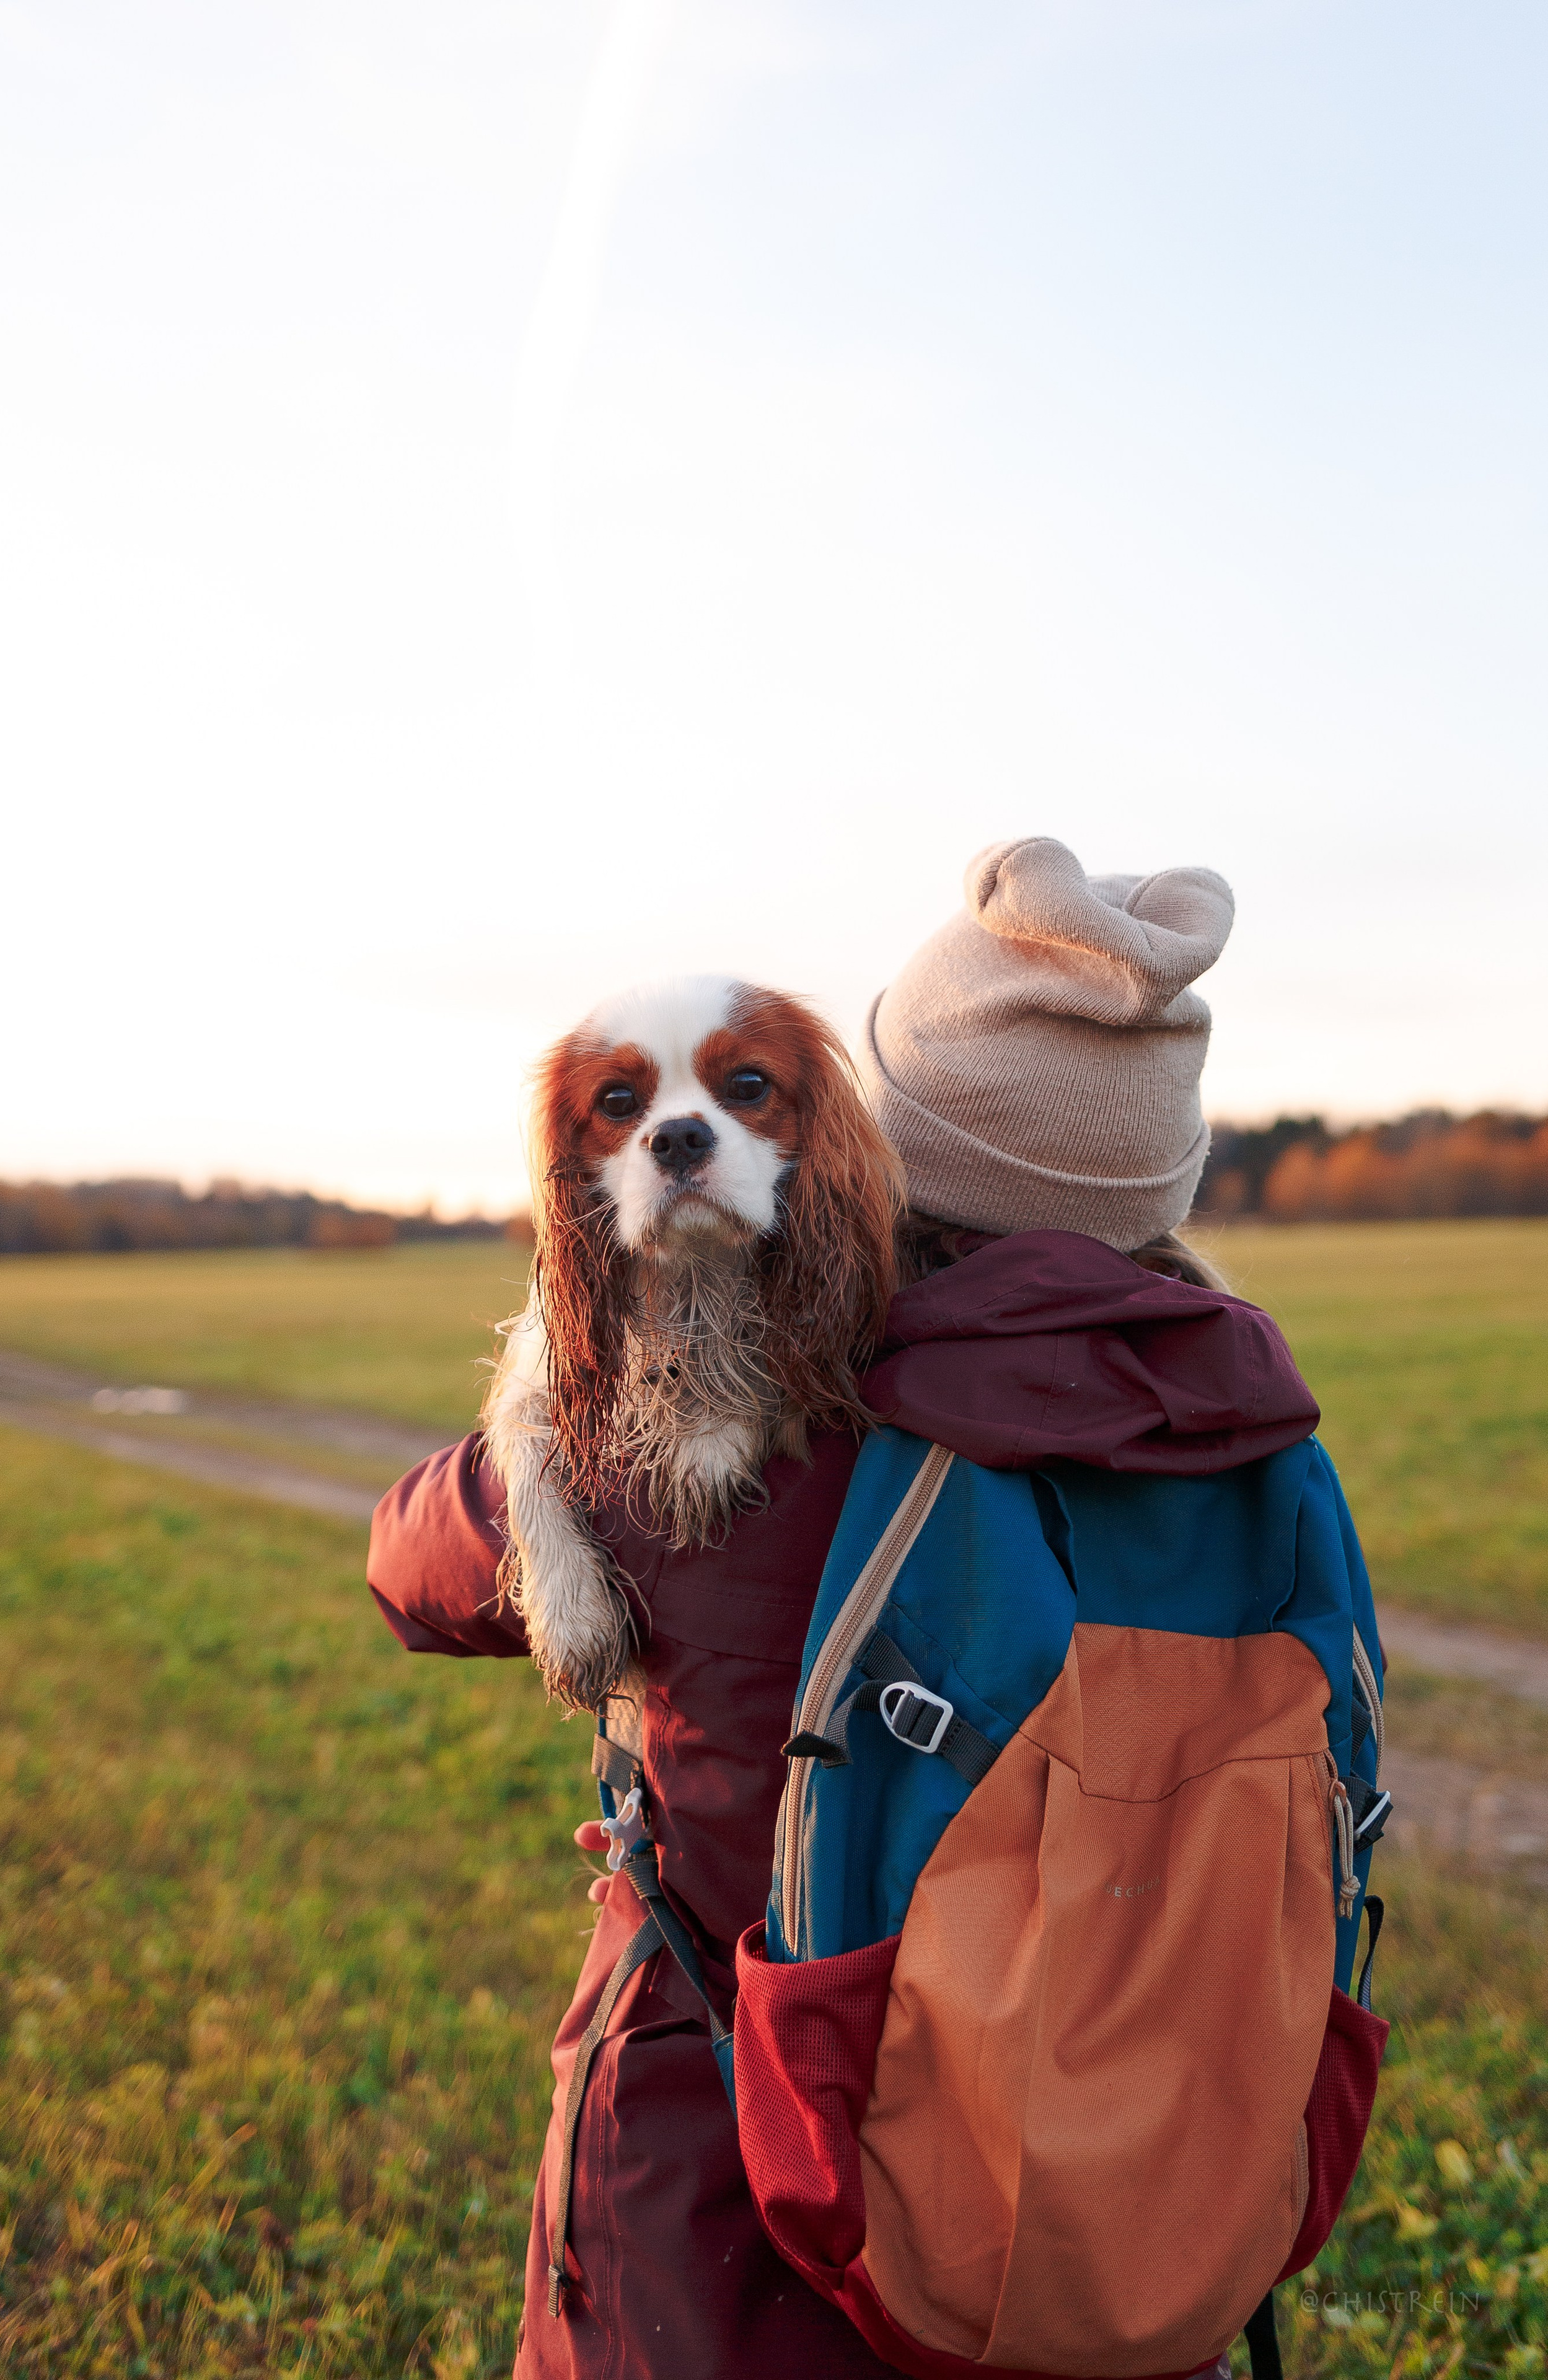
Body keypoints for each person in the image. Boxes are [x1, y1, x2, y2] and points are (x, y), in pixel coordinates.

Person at [367, 836, 1323, 2380]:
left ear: (888, 1133)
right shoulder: (1246, 1415)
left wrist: (550, 1412)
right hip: (1142, 2106)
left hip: (748, 2127)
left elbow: (409, 1563)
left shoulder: (751, 1429)